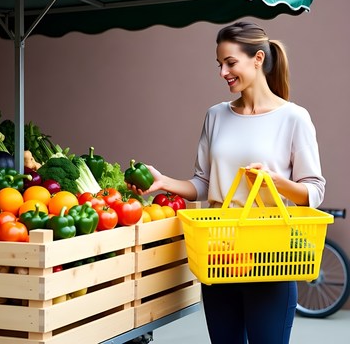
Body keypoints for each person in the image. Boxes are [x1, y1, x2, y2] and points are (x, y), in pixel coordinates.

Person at [128, 21, 325, 344]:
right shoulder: (216, 115)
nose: (223, 72)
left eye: (230, 63)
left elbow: (314, 191)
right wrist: (163, 182)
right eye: (220, 64)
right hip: (219, 254)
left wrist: (275, 183)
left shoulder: (293, 118)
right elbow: (203, 183)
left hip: (269, 256)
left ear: (258, 59)